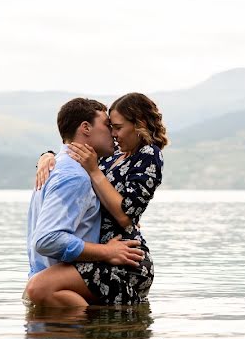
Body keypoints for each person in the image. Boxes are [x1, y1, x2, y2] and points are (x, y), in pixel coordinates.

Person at [32, 92, 167, 306]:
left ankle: (91, 334)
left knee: (40, 288)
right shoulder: (109, 157)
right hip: (99, 255)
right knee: (43, 294)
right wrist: (47, 156)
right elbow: (73, 153)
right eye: (110, 126)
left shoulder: (148, 155)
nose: (113, 134)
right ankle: (92, 333)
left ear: (138, 124)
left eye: (118, 127)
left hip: (125, 257)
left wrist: (95, 171)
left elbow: (125, 217)